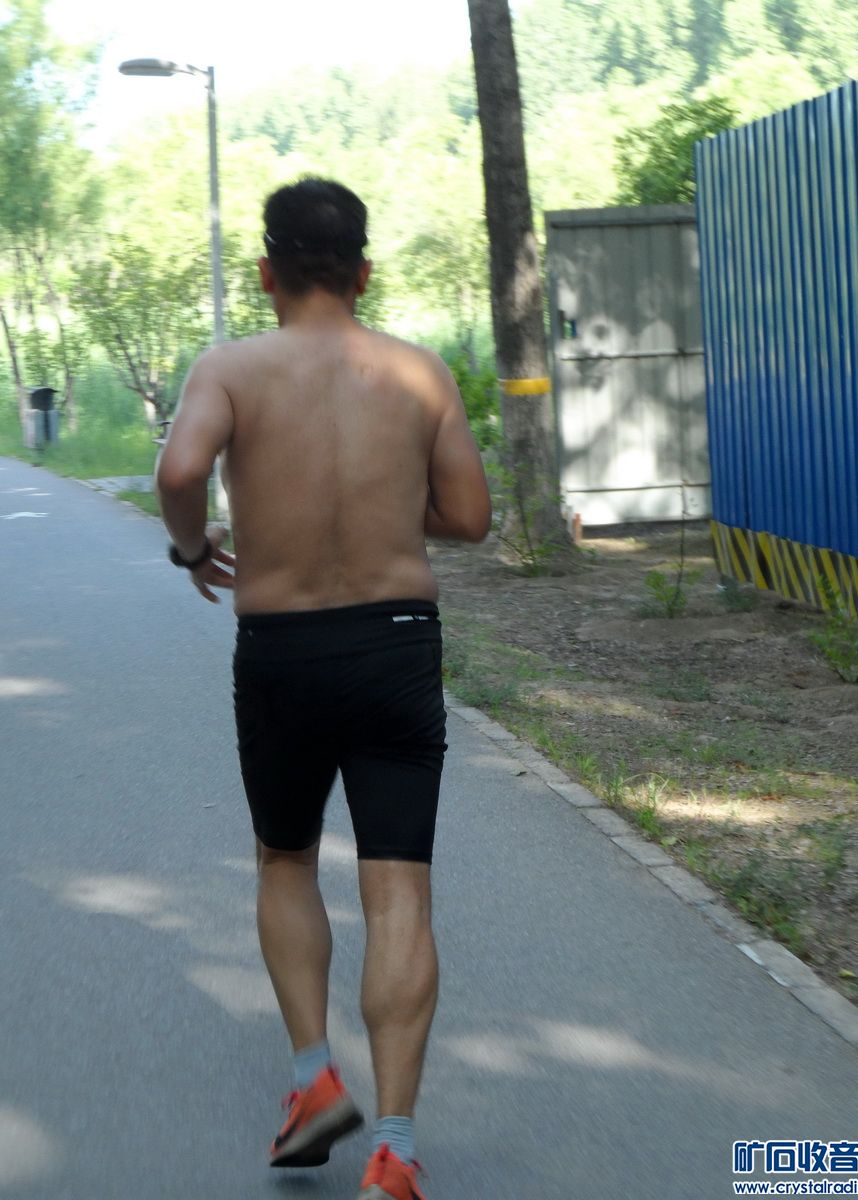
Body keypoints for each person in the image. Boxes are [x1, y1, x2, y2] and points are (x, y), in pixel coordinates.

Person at [156, 177, 492, 1200]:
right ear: (363, 273)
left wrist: (195, 548)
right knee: (400, 889)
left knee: (286, 860)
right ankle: (393, 1148)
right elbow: (470, 517)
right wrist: (387, 507)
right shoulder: (420, 371)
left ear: (267, 273)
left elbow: (180, 471)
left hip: (283, 652)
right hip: (398, 646)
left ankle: (313, 1083)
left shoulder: (231, 368)